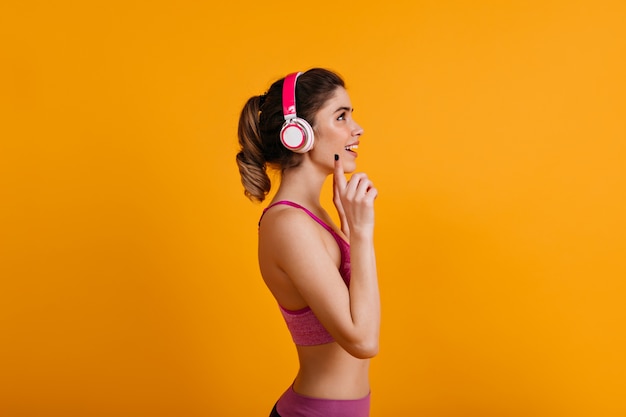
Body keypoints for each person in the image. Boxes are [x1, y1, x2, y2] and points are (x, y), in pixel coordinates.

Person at [236, 68, 380, 417]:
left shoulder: (316, 215)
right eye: (341, 116)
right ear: (298, 134)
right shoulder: (288, 225)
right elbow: (363, 341)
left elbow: (359, 311)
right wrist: (361, 235)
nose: (357, 128)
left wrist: (350, 228)